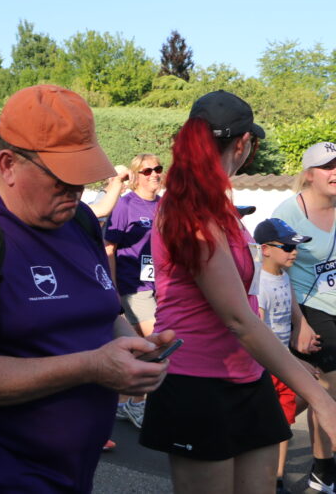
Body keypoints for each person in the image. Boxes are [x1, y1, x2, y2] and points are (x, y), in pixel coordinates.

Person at [0, 84, 171, 493]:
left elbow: (106, 315)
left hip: (75, 472)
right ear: (8, 164)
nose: (76, 190)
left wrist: (137, 350)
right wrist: (92, 366)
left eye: (83, 176)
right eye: (62, 177)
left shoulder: (80, 221)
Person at [140, 91, 336, 494]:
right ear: (244, 143)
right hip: (197, 382)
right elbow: (237, 319)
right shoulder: (189, 210)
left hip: (247, 375)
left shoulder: (219, 207)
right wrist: (320, 399)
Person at [272, 140, 336, 492]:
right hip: (307, 308)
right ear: (309, 175)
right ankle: (323, 470)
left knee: (298, 395)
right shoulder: (288, 213)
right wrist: (299, 323)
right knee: (330, 387)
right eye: (328, 166)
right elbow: (273, 269)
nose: (335, 172)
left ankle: (261, 430)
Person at [254, 217, 318, 494]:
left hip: (282, 362)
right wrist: (295, 362)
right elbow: (259, 332)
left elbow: (291, 303)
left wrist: (302, 326)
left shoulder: (283, 275)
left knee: (283, 423)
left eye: (296, 247)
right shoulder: (259, 283)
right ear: (266, 249)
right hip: (266, 365)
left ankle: (277, 477)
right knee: (272, 422)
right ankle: (263, 474)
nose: (294, 252)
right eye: (288, 247)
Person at [104, 153, 164, 430]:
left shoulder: (164, 206)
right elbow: (109, 248)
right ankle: (137, 403)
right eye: (147, 170)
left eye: (158, 169)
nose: (154, 174)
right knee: (154, 344)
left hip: (160, 287)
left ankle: (122, 401)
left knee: (138, 345)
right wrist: (113, 288)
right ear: (136, 175)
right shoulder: (125, 205)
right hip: (132, 286)